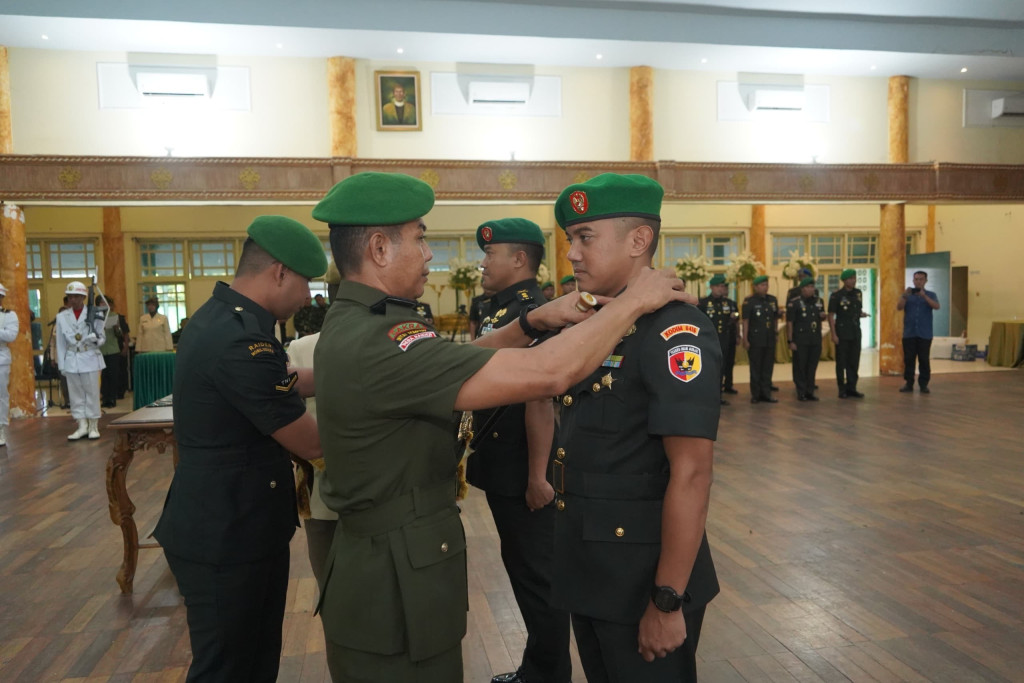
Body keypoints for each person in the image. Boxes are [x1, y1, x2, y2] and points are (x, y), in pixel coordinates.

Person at [309, 171, 692, 683]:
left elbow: (452, 364)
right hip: (393, 582)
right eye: (421, 238)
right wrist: (634, 302)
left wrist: (530, 324)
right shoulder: (379, 338)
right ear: (379, 248)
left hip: (392, 566)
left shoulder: (365, 324)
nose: (428, 254)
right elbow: (549, 373)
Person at [549, 173, 721, 683]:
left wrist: (667, 601)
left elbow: (691, 473)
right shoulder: (599, 323)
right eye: (569, 241)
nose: (573, 254)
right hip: (592, 571)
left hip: (642, 580)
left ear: (639, 241)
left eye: (585, 238)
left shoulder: (673, 331)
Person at [152, 216, 327, 683]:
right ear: (279, 272)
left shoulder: (227, 319)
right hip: (225, 535)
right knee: (228, 668)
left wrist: (358, 372)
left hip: (240, 523)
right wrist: (386, 410)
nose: (309, 296)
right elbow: (310, 442)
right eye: (306, 281)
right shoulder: (239, 339)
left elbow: (282, 381)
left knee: (254, 659)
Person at [469, 217, 571, 683]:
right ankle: (539, 669)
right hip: (500, 462)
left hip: (522, 468)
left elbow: (540, 398)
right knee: (525, 573)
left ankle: (548, 676)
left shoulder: (534, 310)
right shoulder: (500, 308)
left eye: (491, 254)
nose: (483, 263)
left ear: (519, 259)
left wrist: (537, 476)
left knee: (539, 580)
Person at [286, 262, 342, 594]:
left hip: (322, 497)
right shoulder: (302, 348)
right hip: (385, 504)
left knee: (334, 600)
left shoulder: (302, 349)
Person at [55, 281, 106, 440]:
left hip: (89, 357)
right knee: (75, 395)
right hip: (71, 358)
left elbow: (102, 337)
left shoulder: (94, 313)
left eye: (76, 296)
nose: (73, 299)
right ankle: (81, 425)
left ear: (84, 297)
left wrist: (95, 340)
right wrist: (62, 364)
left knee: (91, 393)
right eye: (70, 296)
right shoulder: (62, 317)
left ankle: (93, 425)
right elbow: (61, 343)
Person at [828, 269, 869, 398]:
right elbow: (831, 316)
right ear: (844, 281)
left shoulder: (858, 293)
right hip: (842, 332)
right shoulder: (837, 295)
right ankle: (842, 388)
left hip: (855, 331)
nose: (853, 280)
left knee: (854, 361)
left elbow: (856, 310)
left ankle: (852, 387)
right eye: (850, 278)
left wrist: (861, 314)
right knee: (841, 362)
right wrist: (833, 334)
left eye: (854, 278)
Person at [699, 274, 740, 402]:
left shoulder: (727, 303)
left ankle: (719, 395)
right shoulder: (704, 303)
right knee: (710, 368)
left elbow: (734, 318)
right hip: (709, 340)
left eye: (722, 286)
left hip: (724, 339)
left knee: (722, 367)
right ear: (711, 287)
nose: (720, 289)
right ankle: (708, 393)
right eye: (717, 286)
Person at [897, 270, 940, 393]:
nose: (918, 281)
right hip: (909, 333)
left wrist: (924, 296)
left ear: (925, 281)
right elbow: (899, 307)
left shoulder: (931, 294)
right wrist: (905, 295)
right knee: (909, 359)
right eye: (916, 279)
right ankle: (908, 383)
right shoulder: (907, 295)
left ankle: (923, 384)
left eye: (921, 279)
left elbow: (936, 306)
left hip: (924, 333)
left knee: (924, 359)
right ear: (913, 281)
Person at [742, 275, 780, 403]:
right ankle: (756, 394)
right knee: (756, 367)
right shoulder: (749, 302)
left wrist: (775, 333)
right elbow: (746, 321)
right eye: (762, 285)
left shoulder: (772, 300)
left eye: (766, 285)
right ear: (755, 287)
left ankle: (766, 393)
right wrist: (745, 339)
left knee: (768, 367)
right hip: (755, 339)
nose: (765, 287)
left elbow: (775, 319)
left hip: (769, 338)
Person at [786, 277, 825, 401]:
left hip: (815, 338)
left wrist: (822, 316)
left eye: (812, 287)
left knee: (812, 366)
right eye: (808, 287)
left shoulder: (819, 301)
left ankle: (810, 391)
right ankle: (801, 391)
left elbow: (821, 316)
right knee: (800, 366)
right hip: (800, 339)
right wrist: (790, 340)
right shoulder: (795, 303)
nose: (811, 289)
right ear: (802, 289)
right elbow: (790, 323)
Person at [99, 296, 130, 408]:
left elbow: (120, 335)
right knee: (104, 375)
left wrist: (117, 328)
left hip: (113, 349)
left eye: (105, 303)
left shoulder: (115, 316)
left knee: (113, 374)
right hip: (100, 350)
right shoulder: (96, 317)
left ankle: (112, 398)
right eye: (101, 303)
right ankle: (105, 398)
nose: (103, 305)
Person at [0, 282, 19, 447]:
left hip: (1, 357)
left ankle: (0, 428)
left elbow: (10, 335)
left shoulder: (8, 315)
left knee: (1, 395)